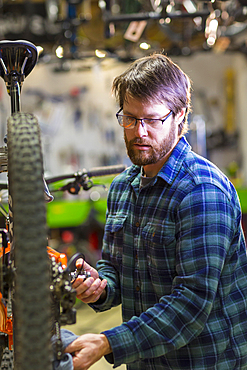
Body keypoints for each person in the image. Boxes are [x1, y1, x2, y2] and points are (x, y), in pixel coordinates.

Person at [65, 53, 247, 370]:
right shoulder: (122, 188)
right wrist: (99, 288)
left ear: (179, 116)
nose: (139, 132)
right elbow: (116, 273)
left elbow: (191, 303)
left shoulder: (201, 191)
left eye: (152, 119)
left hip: (205, 362)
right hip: (147, 362)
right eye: (130, 118)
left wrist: (107, 342)